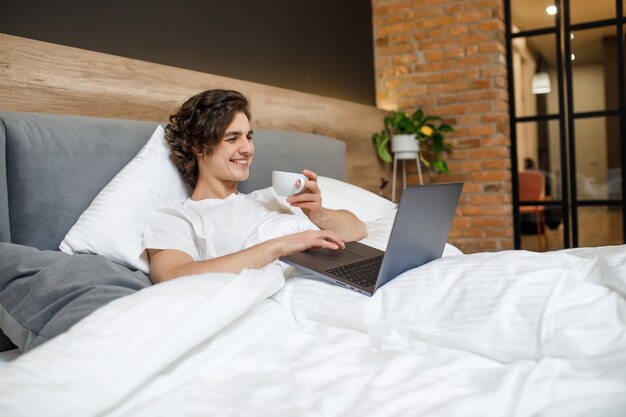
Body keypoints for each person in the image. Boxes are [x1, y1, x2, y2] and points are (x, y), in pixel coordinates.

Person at [142, 89, 367, 283]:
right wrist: (280, 246)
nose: (247, 149)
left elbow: (359, 229)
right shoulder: (177, 217)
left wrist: (318, 215)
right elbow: (173, 276)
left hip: (339, 277)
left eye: (248, 137)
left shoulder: (272, 199)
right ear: (198, 147)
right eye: (232, 139)